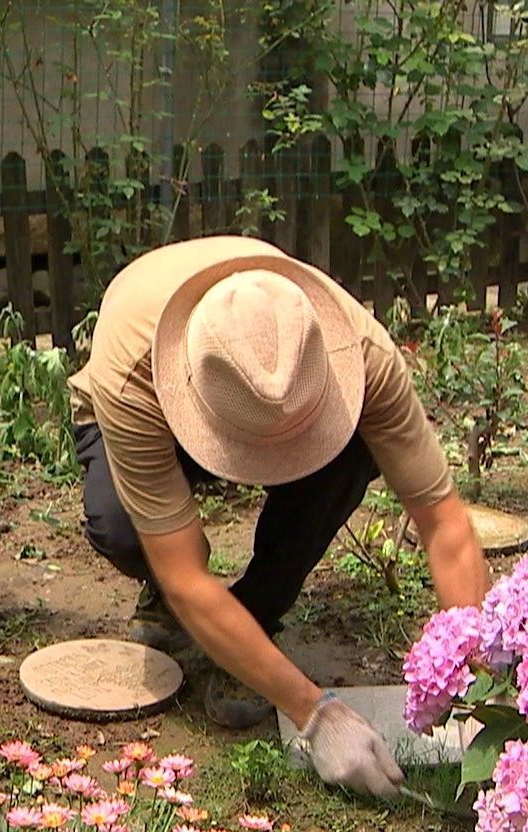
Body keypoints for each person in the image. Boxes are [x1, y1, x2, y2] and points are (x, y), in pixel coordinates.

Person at [68, 236, 492, 799]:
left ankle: (253, 612)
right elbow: (187, 576)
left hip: (267, 389)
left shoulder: (362, 355)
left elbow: (446, 525)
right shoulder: (132, 374)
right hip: (152, 401)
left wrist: (487, 688)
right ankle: (179, 616)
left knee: (353, 455)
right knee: (124, 530)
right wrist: (315, 714)